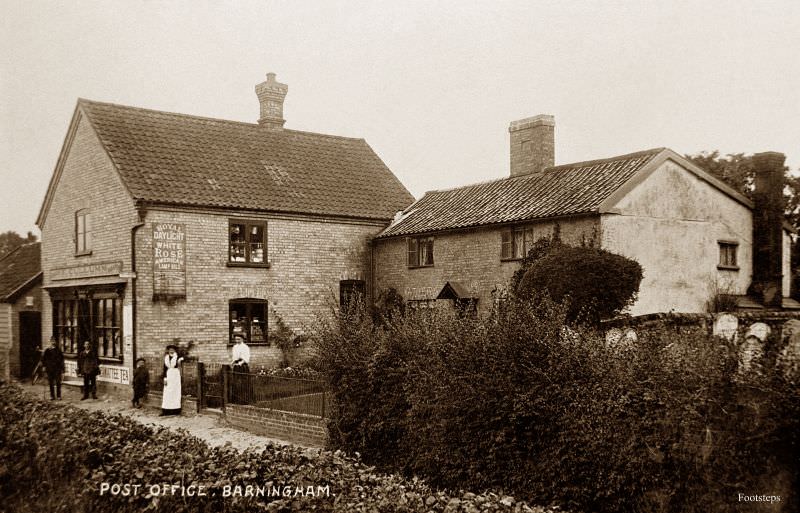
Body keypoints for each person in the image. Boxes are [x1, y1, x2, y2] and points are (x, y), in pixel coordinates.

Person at [161, 345, 183, 415]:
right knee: (167, 393)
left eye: (173, 349)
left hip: (175, 376)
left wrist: (180, 361)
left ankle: (176, 410)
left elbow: (180, 366)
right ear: (168, 350)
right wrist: (165, 378)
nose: (171, 351)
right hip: (168, 375)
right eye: (170, 349)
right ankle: (166, 410)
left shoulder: (178, 357)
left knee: (175, 392)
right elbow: (164, 369)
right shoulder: (166, 358)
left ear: (175, 350)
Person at [230, 335, 251, 404]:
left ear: (242, 339)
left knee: (243, 382)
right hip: (236, 366)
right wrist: (233, 362)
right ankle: (236, 399)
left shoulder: (245, 347)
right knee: (236, 382)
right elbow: (234, 356)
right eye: (236, 339)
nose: (237, 341)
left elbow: (246, 358)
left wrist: (241, 363)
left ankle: (244, 400)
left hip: (243, 366)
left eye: (239, 339)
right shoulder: (235, 347)